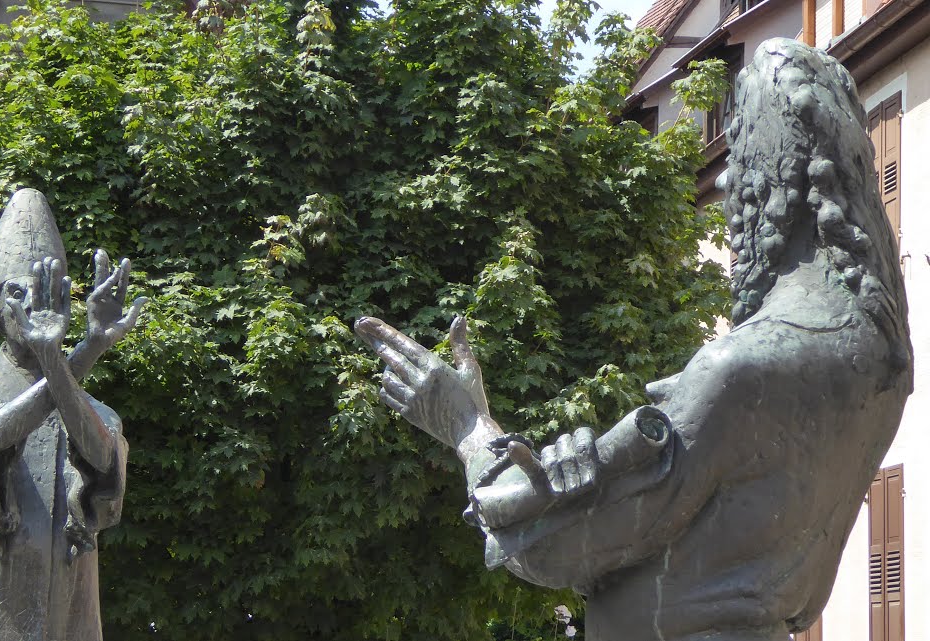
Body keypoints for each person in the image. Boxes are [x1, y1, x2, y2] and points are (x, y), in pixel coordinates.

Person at [356, 39, 912, 641]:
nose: (724, 180)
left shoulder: (740, 371)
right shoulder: (880, 364)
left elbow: (550, 543)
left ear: (774, 176)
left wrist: (467, 428)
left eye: (742, 148)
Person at [0, 189, 147, 641]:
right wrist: (78, 353)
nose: (34, 307)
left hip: (71, 608)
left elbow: (103, 457)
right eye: (18, 294)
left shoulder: (93, 411)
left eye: (46, 294)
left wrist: (87, 346)